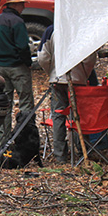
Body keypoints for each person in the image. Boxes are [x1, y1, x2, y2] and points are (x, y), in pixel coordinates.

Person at [38, 25, 97, 163]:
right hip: (77, 81)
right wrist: (83, 75)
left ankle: (60, 156)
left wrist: (52, 72)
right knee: (78, 116)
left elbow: (42, 57)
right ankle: (82, 151)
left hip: (58, 80)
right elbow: (90, 58)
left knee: (58, 116)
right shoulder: (81, 28)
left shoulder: (52, 30)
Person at [0, 0, 34, 136]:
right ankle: (24, 136)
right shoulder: (17, 22)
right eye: (21, 4)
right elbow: (22, 47)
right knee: (25, 102)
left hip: (1, 68)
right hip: (18, 67)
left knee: (4, 103)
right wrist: (28, 62)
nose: (23, 7)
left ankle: (4, 140)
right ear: (15, 5)